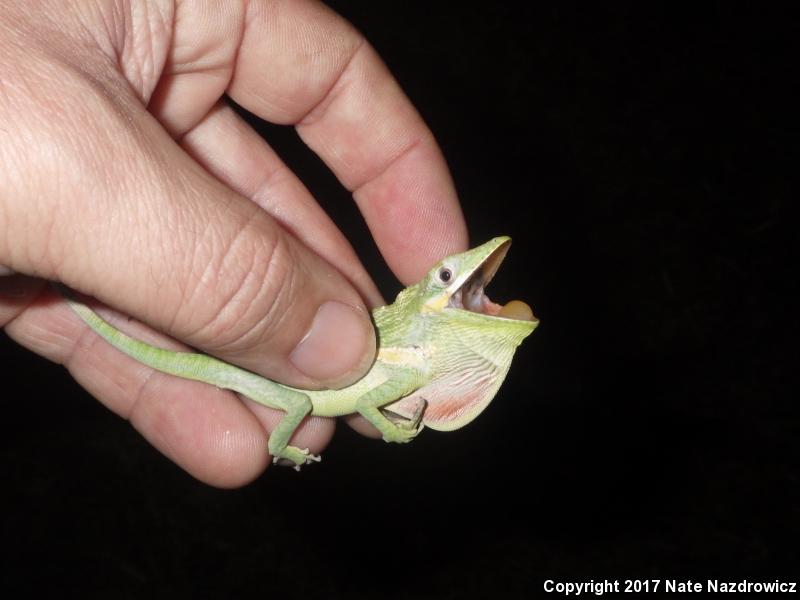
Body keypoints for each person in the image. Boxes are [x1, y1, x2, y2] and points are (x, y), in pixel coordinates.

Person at [0, 1, 467, 486]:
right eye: (447, 277)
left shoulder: (411, 357)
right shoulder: (406, 359)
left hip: (282, 380)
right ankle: (277, 442)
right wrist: (387, 431)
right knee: (299, 402)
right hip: (291, 389)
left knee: (265, 396)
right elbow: (369, 399)